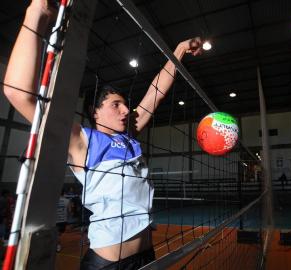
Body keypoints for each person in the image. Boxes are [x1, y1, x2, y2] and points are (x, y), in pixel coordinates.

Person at [3, 1, 203, 269]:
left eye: (125, 104)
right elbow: (18, 93)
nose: (125, 110)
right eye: (115, 105)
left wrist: (178, 50)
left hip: (146, 258)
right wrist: (36, 13)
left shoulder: (129, 136)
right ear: (94, 113)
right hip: (109, 264)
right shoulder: (82, 140)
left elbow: (156, 92)